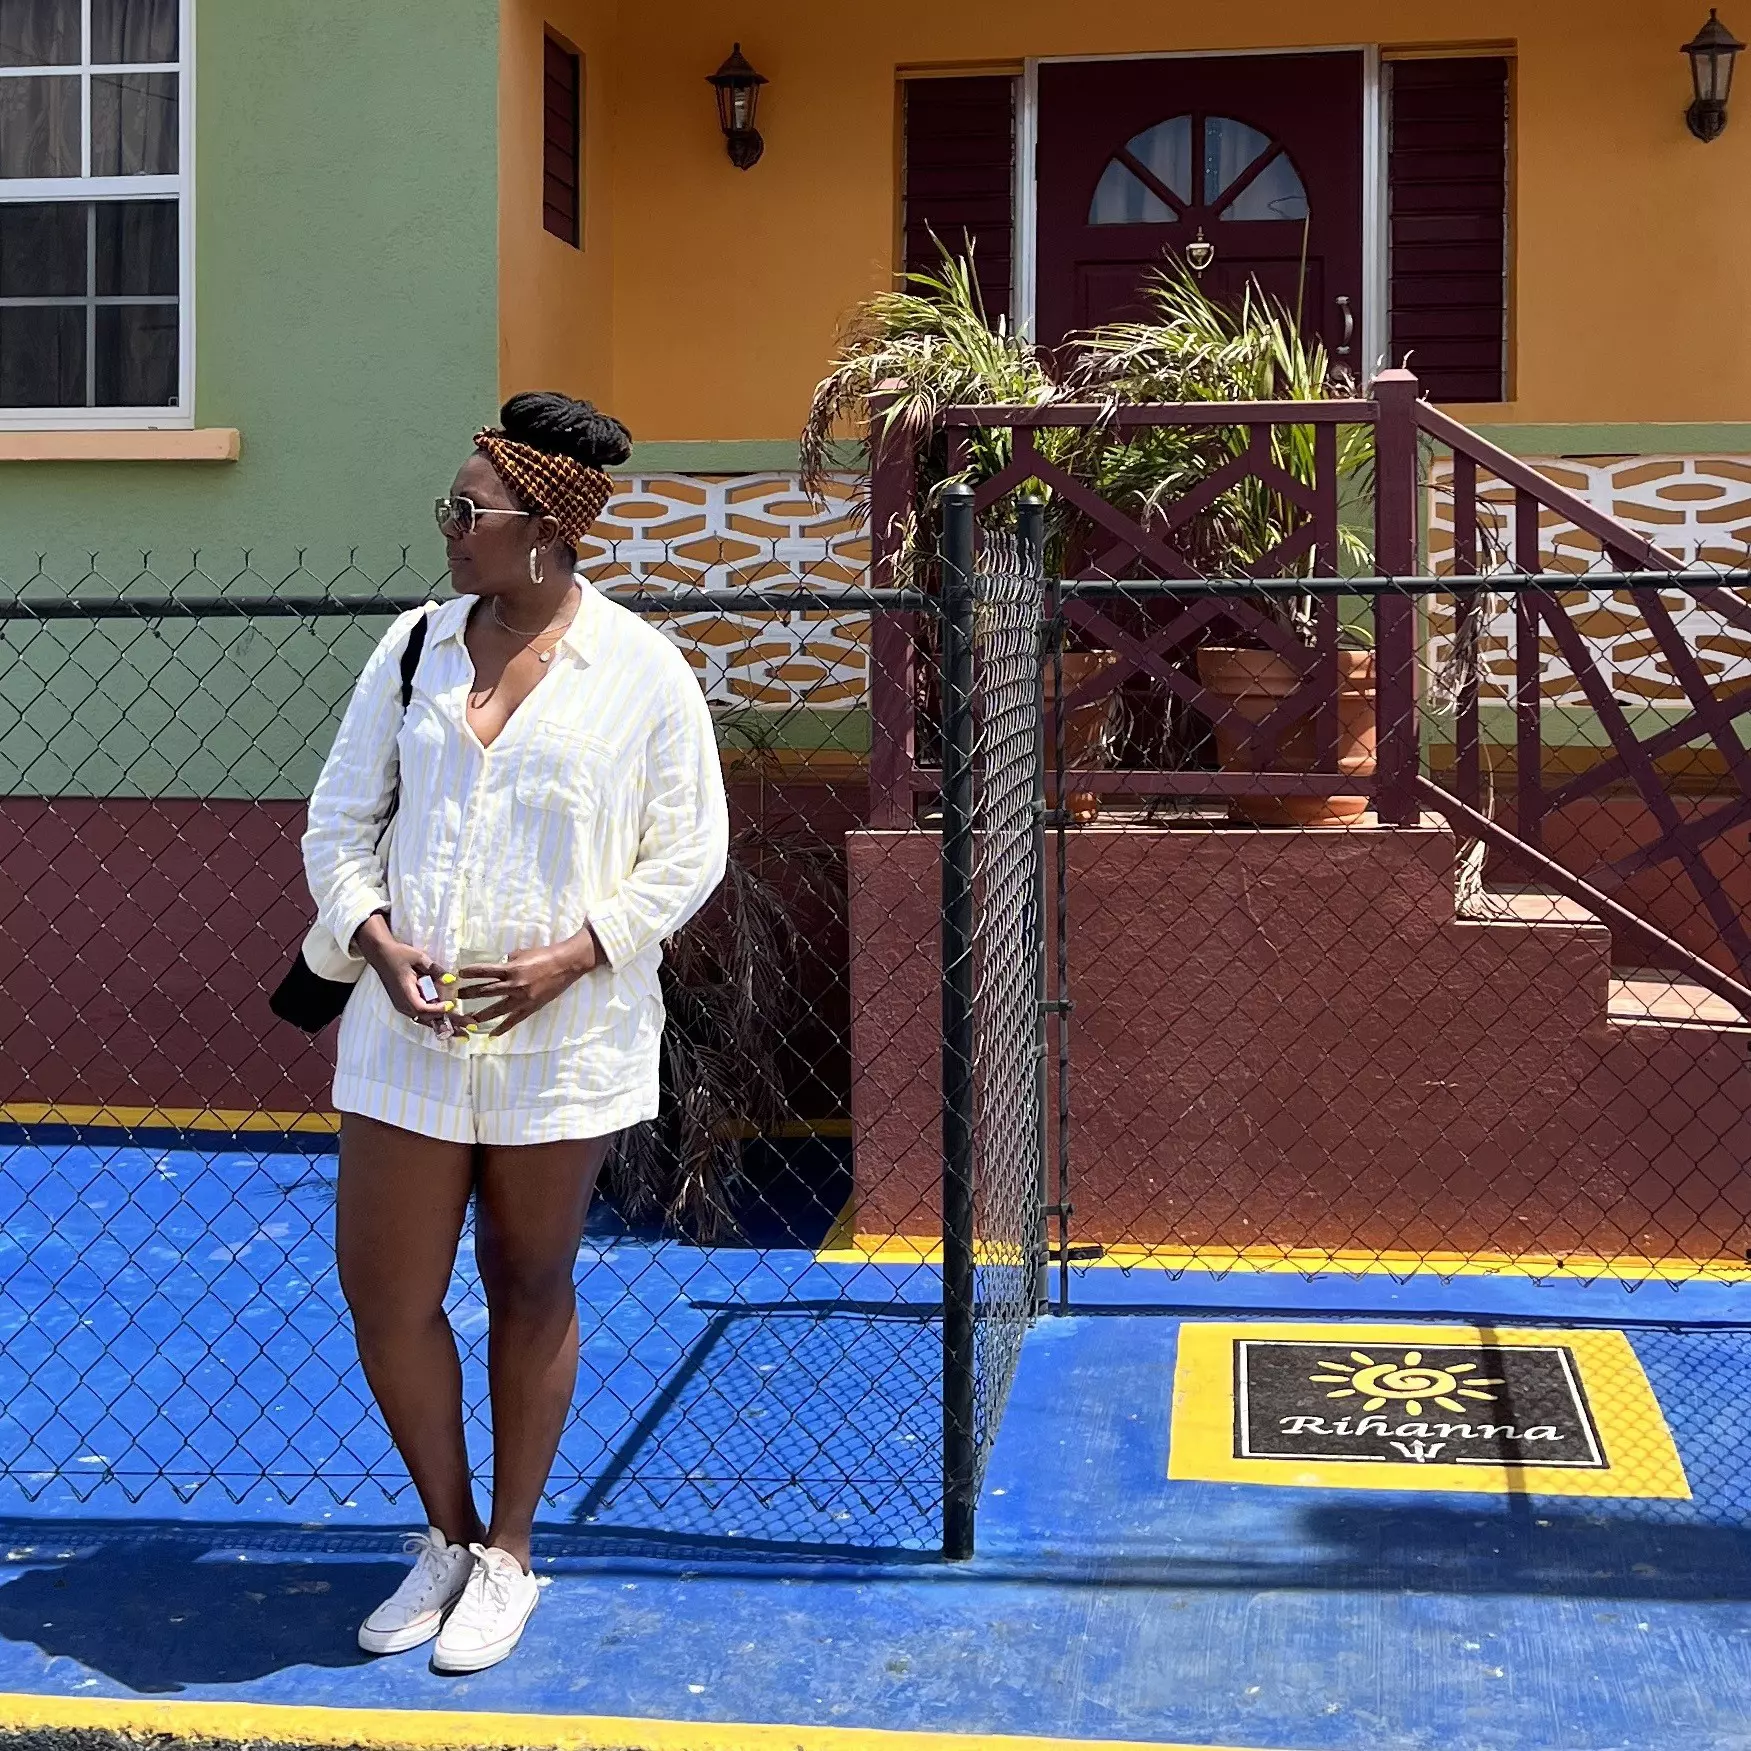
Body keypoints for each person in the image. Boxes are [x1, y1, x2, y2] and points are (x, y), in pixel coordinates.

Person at [301, 392, 728, 1673]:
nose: (448, 528)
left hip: (565, 1034)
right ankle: (443, 1532)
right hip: (404, 1031)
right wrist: (374, 936)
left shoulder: (642, 672)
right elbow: (337, 821)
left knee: (529, 1283)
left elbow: (689, 850)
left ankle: (508, 1557)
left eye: (466, 508)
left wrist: (575, 951)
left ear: (544, 528)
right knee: (385, 1289)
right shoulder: (413, 648)